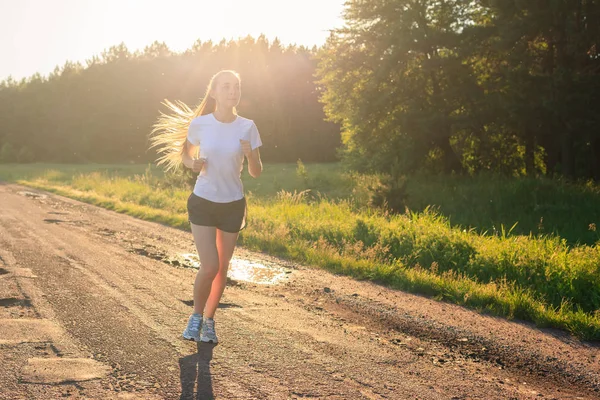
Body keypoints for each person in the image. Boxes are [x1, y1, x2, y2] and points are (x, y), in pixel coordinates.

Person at [150, 70, 262, 343]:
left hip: (233, 204)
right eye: (226, 86)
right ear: (213, 92)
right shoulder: (201, 124)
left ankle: (210, 321)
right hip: (203, 201)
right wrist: (193, 164)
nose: (232, 91)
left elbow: (257, 172)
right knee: (209, 265)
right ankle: (196, 316)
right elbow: (186, 156)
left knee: (223, 268)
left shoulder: (247, 126)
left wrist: (249, 157)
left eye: (236, 86)